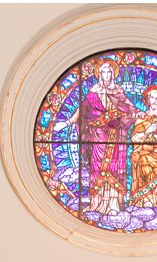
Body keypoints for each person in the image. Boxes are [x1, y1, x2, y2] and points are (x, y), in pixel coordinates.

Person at [54, 60, 136, 217]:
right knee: (97, 168)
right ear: (99, 74)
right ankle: (96, 203)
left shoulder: (118, 91)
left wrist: (127, 116)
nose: (107, 74)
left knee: (114, 167)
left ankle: (114, 204)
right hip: (97, 135)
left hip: (116, 137)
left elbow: (130, 109)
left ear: (113, 74)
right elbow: (82, 110)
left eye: (110, 72)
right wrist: (67, 122)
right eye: (104, 71)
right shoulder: (93, 92)